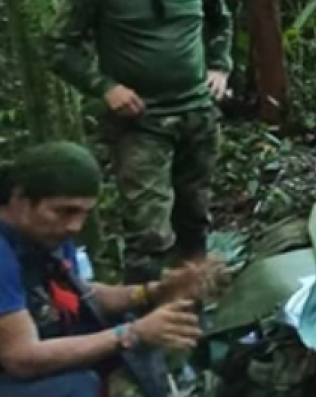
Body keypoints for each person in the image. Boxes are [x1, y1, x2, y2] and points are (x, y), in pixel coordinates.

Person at [48, 0, 232, 283]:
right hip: (141, 121)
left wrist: (219, 67)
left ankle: (193, 304)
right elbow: (59, 46)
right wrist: (105, 88)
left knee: (195, 218)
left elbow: (221, 23)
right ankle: (146, 313)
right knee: (149, 232)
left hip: (197, 115)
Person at [0, 142, 218, 397]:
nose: (75, 226)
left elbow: (82, 294)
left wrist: (153, 291)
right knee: (77, 386)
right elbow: (20, 358)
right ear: (20, 199)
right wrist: (131, 334)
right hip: (14, 364)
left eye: (84, 213)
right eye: (65, 211)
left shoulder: (44, 234)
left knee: (122, 326)